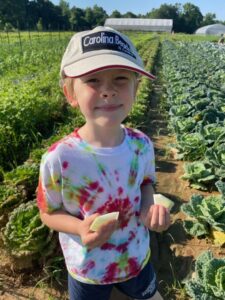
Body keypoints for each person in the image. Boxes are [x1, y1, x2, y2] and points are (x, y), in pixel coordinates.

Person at [37, 26, 170, 300]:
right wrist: (78, 228)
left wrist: (149, 208)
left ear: (136, 88)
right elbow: (48, 213)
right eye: (93, 80)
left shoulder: (141, 144)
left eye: (121, 79)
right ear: (70, 94)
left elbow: (145, 182)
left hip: (136, 258)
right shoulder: (60, 158)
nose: (108, 91)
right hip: (88, 268)